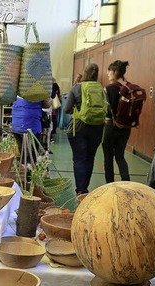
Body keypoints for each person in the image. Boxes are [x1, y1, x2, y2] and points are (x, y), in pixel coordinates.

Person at [64, 63, 107, 194]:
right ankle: (85, 188)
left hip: (78, 128)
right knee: (90, 158)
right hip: (97, 128)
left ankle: (80, 190)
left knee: (79, 159)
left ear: (85, 73)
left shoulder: (76, 88)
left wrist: (77, 112)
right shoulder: (101, 89)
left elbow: (66, 109)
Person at [103, 60, 132, 183]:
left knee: (108, 157)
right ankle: (126, 181)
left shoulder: (109, 88)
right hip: (126, 127)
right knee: (120, 156)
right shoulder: (130, 88)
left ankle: (109, 184)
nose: (107, 73)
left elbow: (106, 110)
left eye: (109, 71)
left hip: (111, 126)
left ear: (115, 72)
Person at [51, 77, 61, 141]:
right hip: (54, 104)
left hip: (50, 105)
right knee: (54, 117)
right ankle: (54, 130)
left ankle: (52, 131)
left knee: (52, 119)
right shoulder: (56, 86)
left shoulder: (49, 87)